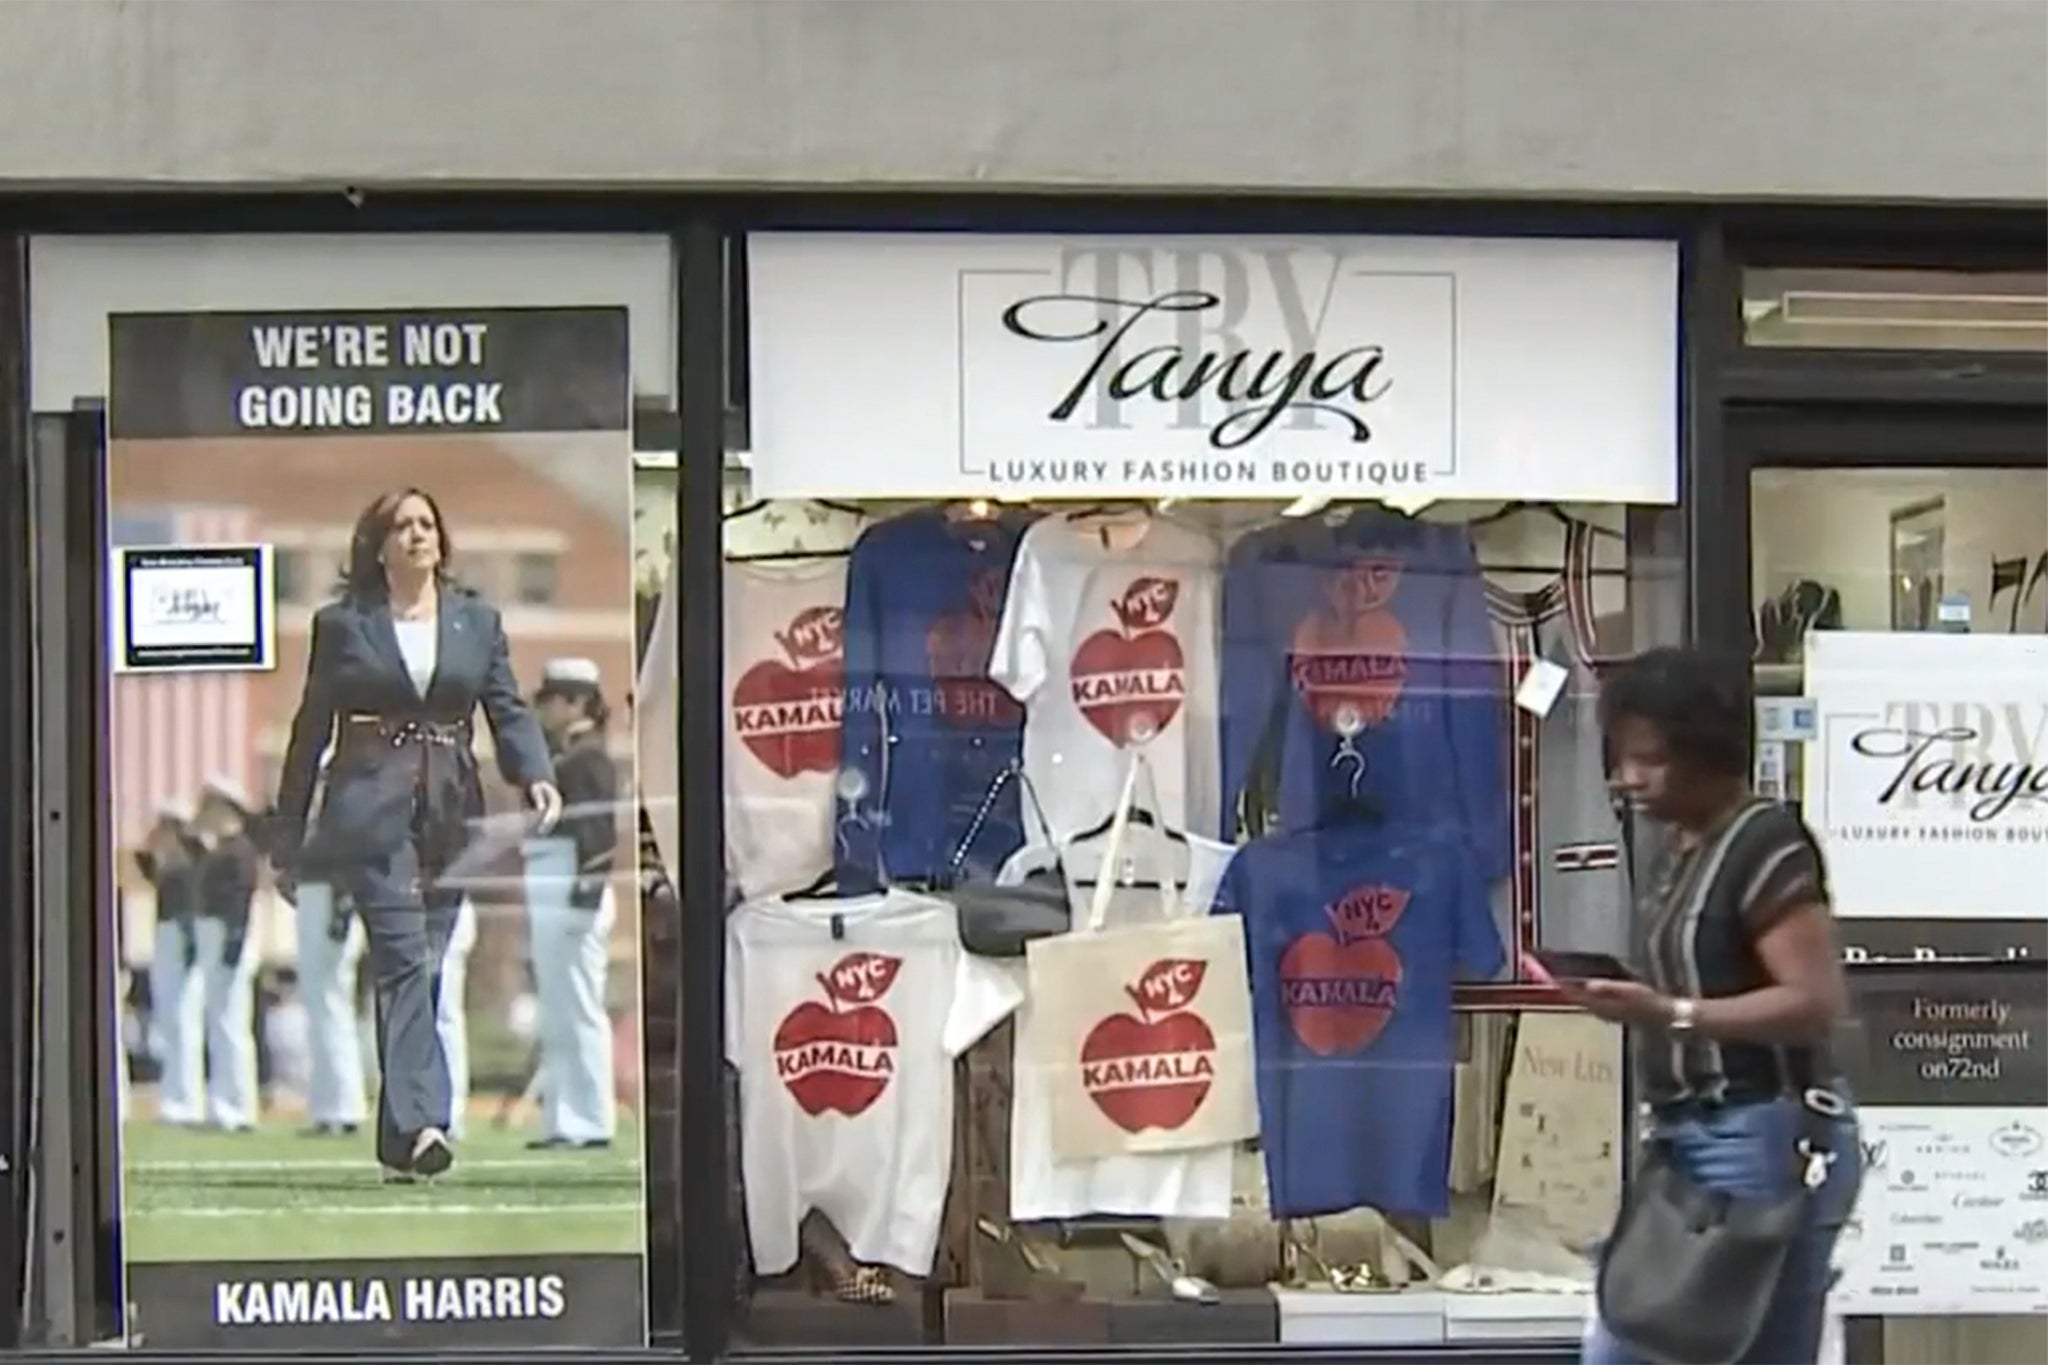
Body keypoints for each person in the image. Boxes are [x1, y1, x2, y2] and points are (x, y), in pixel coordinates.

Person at [1563, 647, 1861, 1365]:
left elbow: (1815, 1001)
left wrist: (1669, 1014)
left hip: (1759, 1133)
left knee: (1649, 1346)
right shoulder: (1680, 848)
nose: (1626, 778)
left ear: (1707, 755)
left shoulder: (1765, 843)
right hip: (1688, 1138)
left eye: (1649, 759)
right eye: (1622, 757)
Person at [271, 487, 560, 1182]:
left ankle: (398, 1140)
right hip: (369, 807)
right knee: (402, 953)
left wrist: (534, 773)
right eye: (401, 526)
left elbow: (506, 707)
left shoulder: (476, 621)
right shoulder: (343, 624)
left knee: (425, 965)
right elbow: (311, 729)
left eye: (427, 523)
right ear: (377, 544)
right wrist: (288, 833)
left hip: (451, 808)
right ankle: (429, 1119)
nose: (417, 535)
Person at [522, 657, 622, 1150]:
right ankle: (563, 1117)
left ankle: (589, 1117)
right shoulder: (562, 756)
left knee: (580, 1005)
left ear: (578, 702)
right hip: (548, 871)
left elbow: (599, 833)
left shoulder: (590, 760)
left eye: (554, 700)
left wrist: (586, 894)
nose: (545, 710)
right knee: (558, 1008)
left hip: (571, 879)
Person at [192, 776, 262, 1132]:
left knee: (230, 1023)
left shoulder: (239, 850)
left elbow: (240, 899)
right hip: (214, 933)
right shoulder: (221, 849)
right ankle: (224, 1104)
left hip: (226, 934)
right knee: (220, 1021)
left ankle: (236, 1106)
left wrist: (234, 938)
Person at [137, 802, 205, 1126]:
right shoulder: (171, 867)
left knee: (182, 1020)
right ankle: (177, 1096)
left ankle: (186, 1100)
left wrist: (191, 947)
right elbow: (143, 862)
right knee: (172, 1020)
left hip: (179, 938)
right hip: (167, 937)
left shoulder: (188, 868)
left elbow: (189, 912)